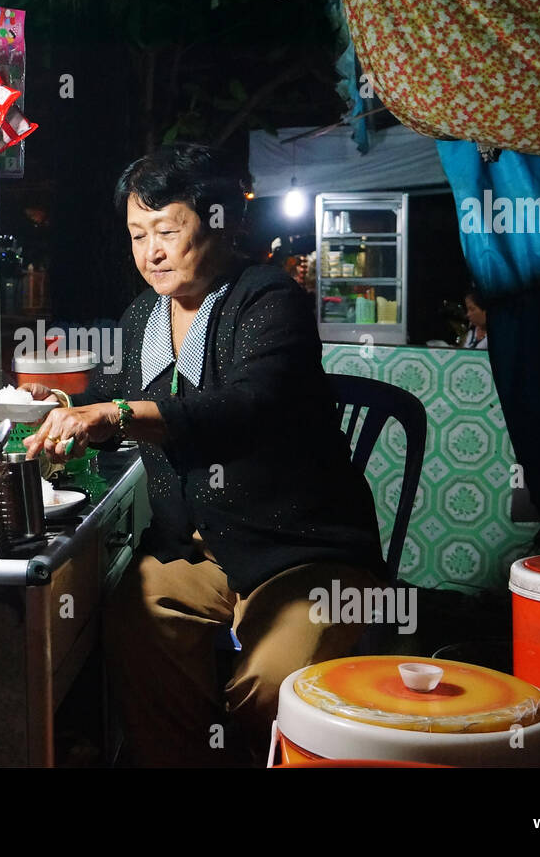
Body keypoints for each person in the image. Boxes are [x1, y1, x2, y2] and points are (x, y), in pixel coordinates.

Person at [21, 144, 384, 767]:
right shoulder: (142, 317)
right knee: (133, 628)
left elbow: (248, 404)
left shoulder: (268, 299)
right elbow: (117, 398)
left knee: (269, 686)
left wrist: (116, 414)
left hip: (300, 550)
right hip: (195, 550)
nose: (150, 251)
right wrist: (72, 411)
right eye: (138, 234)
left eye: (167, 230)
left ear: (221, 222)